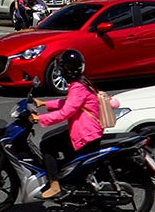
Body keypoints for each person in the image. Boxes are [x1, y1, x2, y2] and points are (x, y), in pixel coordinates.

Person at [33, 50, 115, 199]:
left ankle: (55, 185)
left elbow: (66, 112)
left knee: (47, 145)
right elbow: (72, 103)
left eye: (62, 68)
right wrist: (44, 103)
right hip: (90, 130)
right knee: (54, 139)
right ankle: (67, 178)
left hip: (85, 132)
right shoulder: (83, 82)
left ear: (66, 70)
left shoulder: (77, 87)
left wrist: (39, 119)